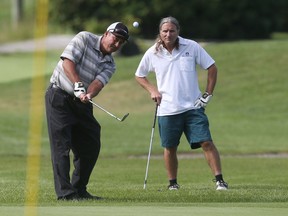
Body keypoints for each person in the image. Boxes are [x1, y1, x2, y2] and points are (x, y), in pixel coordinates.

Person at [135, 16, 228, 190]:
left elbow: (212, 67)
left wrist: (208, 93)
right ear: (160, 32)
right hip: (167, 109)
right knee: (170, 147)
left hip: (193, 106)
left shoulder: (191, 46)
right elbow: (139, 75)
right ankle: (173, 184)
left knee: (206, 142)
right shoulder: (152, 52)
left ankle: (219, 180)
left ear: (178, 31)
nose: (168, 34)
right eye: (165, 31)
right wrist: (152, 90)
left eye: (172, 30)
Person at [45, 22, 129, 200]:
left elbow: (98, 83)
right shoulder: (84, 38)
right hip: (59, 96)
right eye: (116, 38)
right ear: (106, 33)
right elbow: (68, 63)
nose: (117, 44)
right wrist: (78, 85)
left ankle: (79, 189)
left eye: (121, 42)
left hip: (81, 102)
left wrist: (89, 94)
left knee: (91, 143)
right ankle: (65, 194)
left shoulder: (110, 64)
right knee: (61, 146)